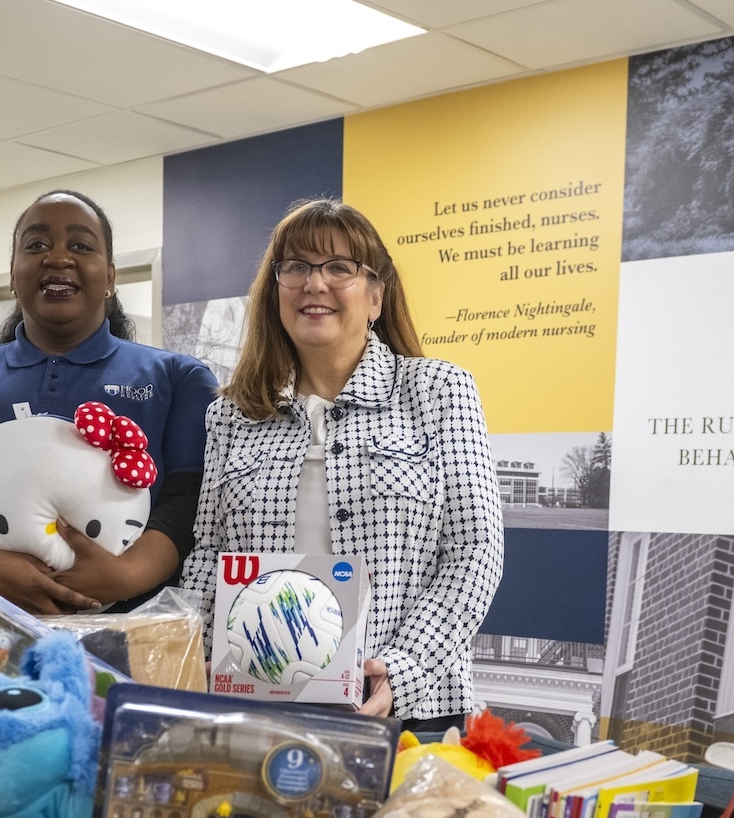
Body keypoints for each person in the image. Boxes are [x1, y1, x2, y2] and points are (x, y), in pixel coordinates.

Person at [180, 198, 504, 728]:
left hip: (406, 705)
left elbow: (475, 551)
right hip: (259, 702)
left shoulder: (438, 391)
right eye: (296, 268)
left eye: (339, 268)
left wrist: (402, 668)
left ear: (376, 296)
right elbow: (206, 557)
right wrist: (184, 664)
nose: (314, 284)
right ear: (275, 290)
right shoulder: (231, 414)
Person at [0, 190, 217, 614]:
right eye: (37, 245)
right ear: (12, 274)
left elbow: (194, 499)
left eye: (80, 245)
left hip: (135, 641)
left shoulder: (181, 381)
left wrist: (126, 575)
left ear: (111, 276)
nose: (58, 258)